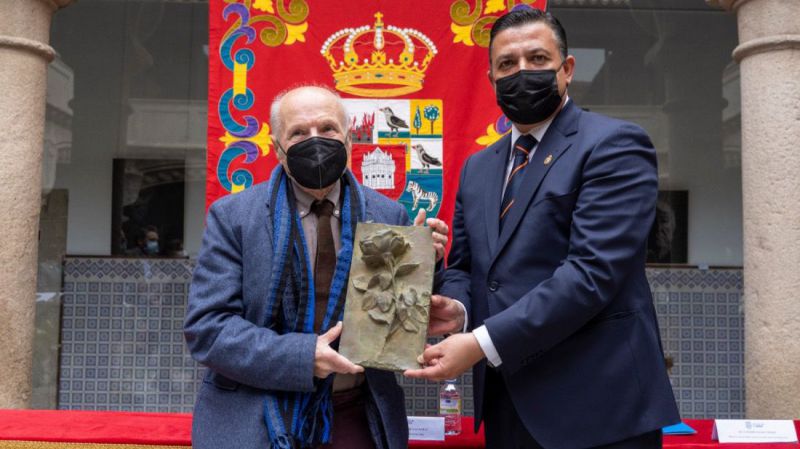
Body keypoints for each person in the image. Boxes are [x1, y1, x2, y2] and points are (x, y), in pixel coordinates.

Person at [405, 8, 679, 449]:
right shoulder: (479, 167)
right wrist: (459, 309)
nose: (522, 73)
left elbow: (591, 275)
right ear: (492, 80)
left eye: (537, 59)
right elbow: (467, 266)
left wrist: (478, 343)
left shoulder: (614, 145)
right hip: (506, 406)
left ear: (566, 69)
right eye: (507, 65)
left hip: (598, 409)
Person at [184, 85, 448, 449]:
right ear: (278, 150)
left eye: (328, 129)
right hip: (254, 413)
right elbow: (208, 329)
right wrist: (302, 356)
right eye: (298, 133)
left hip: (357, 414)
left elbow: (398, 328)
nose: (316, 140)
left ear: (349, 140)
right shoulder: (234, 218)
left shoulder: (389, 215)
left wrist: (426, 261)